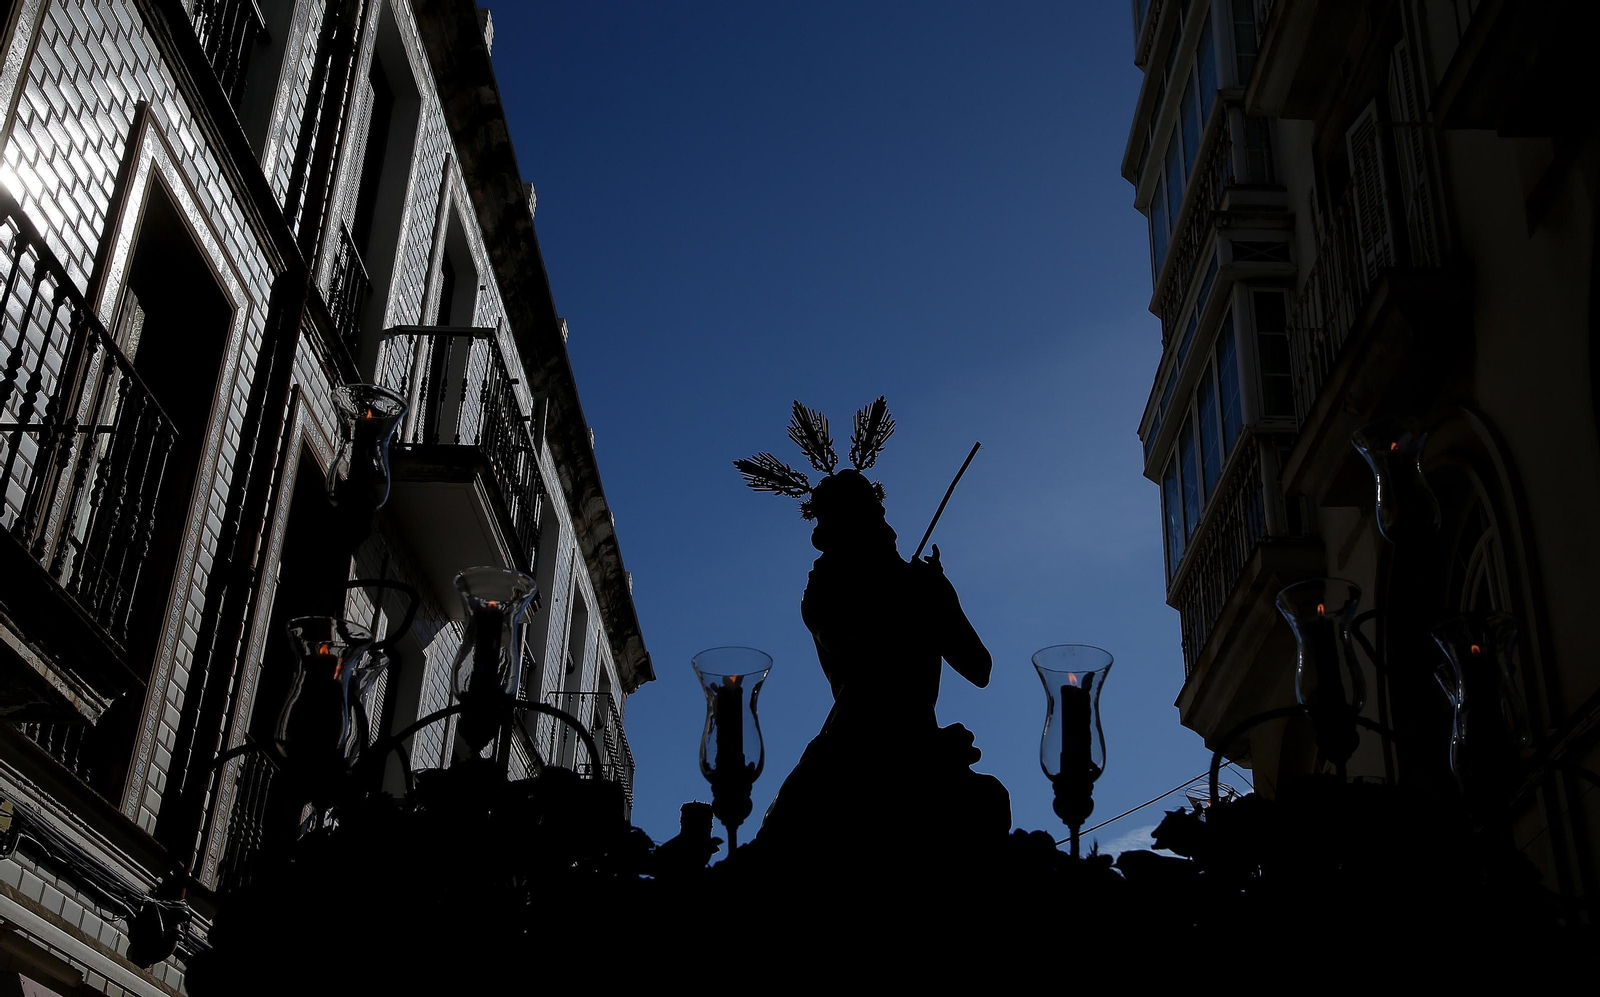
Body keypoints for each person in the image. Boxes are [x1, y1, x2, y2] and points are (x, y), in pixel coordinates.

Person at [734, 401, 1010, 873]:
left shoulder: (922, 588)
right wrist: (901, 605)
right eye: (868, 519)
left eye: (879, 514)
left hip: (922, 748)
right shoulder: (825, 590)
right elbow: (852, 647)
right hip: (852, 751)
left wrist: (943, 600)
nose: (885, 526)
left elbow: (979, 669)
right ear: (842, 533)